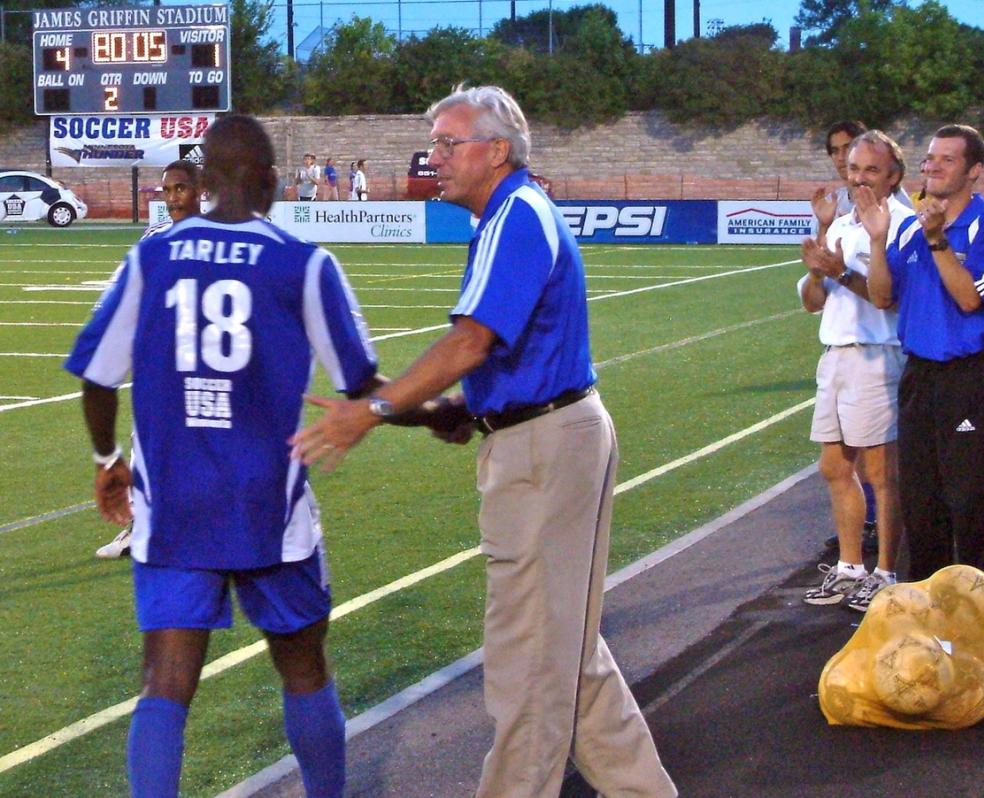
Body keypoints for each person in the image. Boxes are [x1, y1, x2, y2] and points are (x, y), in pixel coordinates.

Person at [290, 85, 676, 798]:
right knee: (568, 658)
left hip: (545, 450)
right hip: (539, 437)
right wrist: (452, 412)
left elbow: (472, 341)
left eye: (447, 143)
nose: (433, 157)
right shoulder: (513, 213)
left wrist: (371, 410)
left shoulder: (515, 215)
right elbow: (512, 358)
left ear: (496, 150)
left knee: (531, 664)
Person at [65, 115, 380, 798]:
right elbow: (363, 387)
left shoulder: (151, 256)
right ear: (270, 181)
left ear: (203, 182)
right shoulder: (303, 262)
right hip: (271, 505)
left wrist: (107, 456)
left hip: (175, 504)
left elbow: (96, 374)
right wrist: (441, 411)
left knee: (165, 681)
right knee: (303, 668)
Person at [859, 123, 984, 583]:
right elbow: (882, 296)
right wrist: (876, 239)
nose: (932, 165)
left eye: (947, 159)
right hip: (918, 377)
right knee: (921, 498)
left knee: (974, 498)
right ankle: (928, 606)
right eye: (930, 157)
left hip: (969, 377)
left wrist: (937, 239)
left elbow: (969, 299)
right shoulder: (908, 229)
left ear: (975, 171)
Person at [799, 131, 912, 612]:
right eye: (853, 168)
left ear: (893, 175)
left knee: (881, 473)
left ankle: (886, 572)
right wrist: (822, 257)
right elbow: (810, 302)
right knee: (835, 467)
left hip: (877, 353)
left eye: (870, 169)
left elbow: (891, 300)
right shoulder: (842, 223)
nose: (858, 177)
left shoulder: (903, 224)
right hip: (836, 353)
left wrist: (841, 270)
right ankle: (850, 567)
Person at [95, 159, 202, 560]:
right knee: (147, 445)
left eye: (181, 188)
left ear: (201, 190)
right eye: (167, 189)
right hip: (159, 360)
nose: (172, 197)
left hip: (205, 362)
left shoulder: (220, 234)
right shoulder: (154, 234)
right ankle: (139, 530)